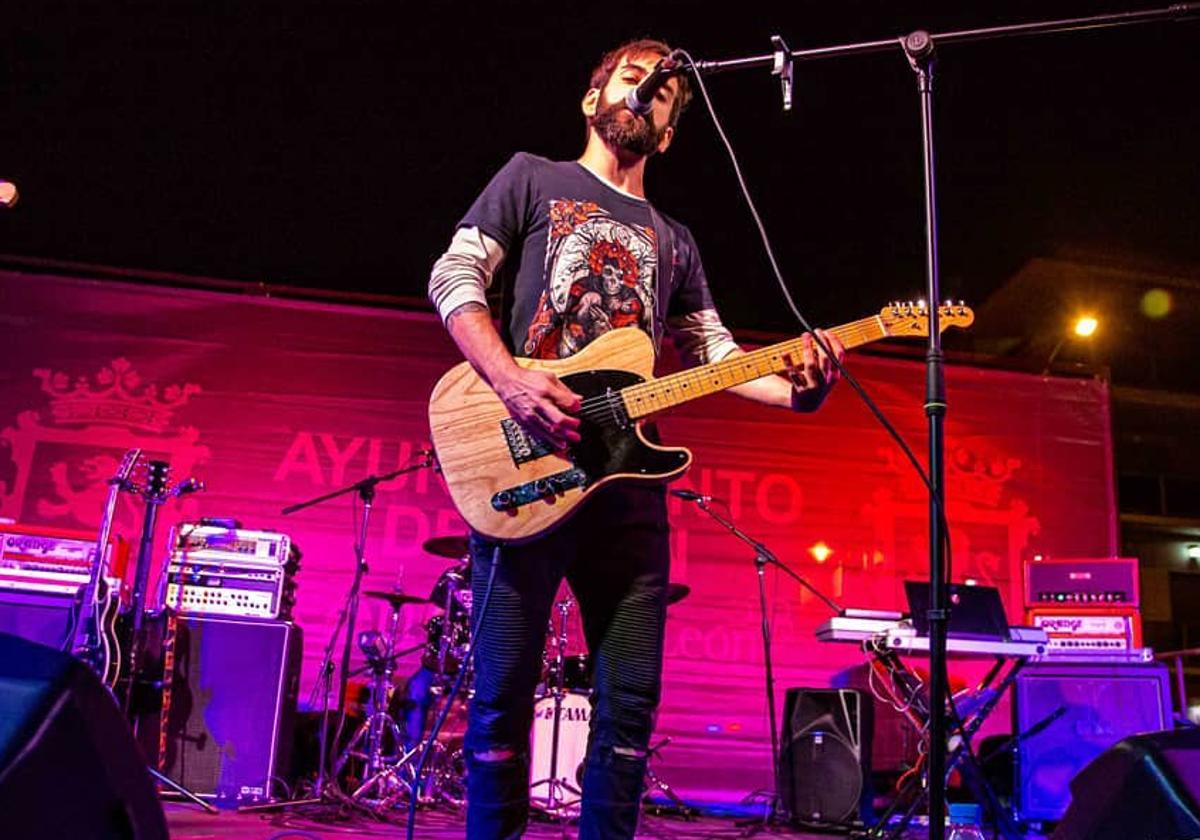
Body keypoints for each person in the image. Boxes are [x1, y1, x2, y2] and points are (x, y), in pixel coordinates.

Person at [427, 37, 845, 840]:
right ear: (593, 101)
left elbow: (713, 357)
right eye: (633, 77)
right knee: (500, 703)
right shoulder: (531, 178)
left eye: (664, 94)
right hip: (529, 464)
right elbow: (453, 278)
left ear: (670, 131)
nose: (649, 92)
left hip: (628, 490)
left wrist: (799, 393)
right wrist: (512, 379)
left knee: (627, 711)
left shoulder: (674, 238)